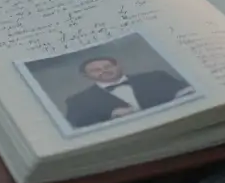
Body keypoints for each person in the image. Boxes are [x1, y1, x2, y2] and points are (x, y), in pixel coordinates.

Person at [64, 55, 195, 129]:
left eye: (108, 66)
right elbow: (79, 125)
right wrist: (110, 117)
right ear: (86, 76)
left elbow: (185, 92)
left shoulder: (156, 76)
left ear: (118, 66)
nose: (104, 71)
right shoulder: (77, 101)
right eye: (95, 70)